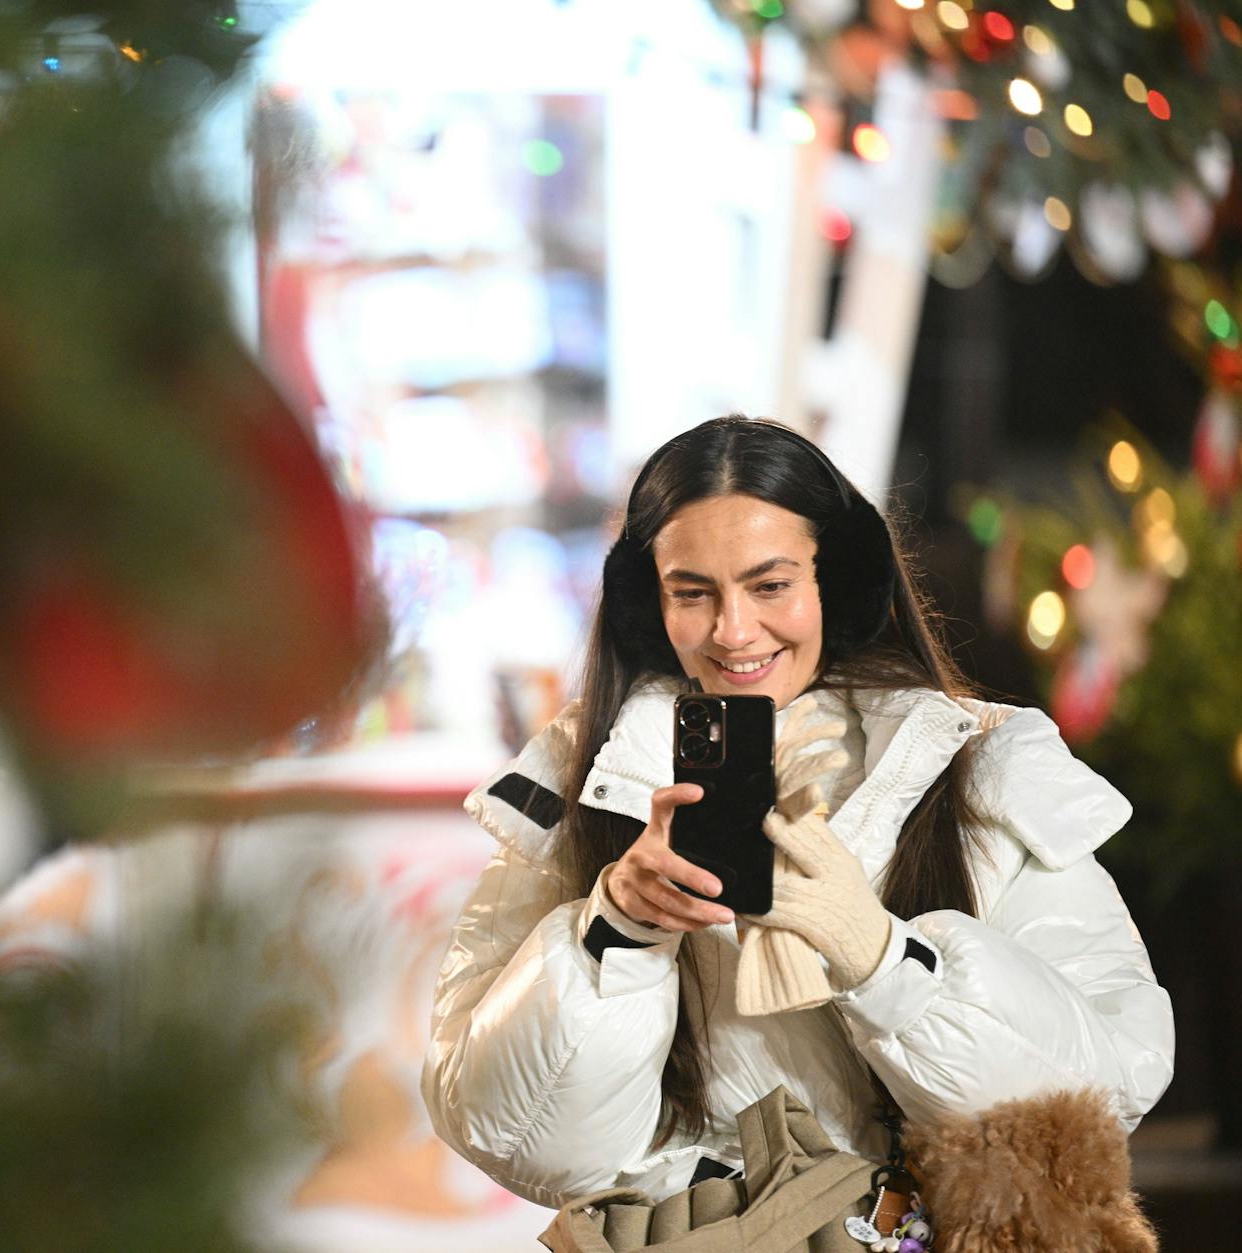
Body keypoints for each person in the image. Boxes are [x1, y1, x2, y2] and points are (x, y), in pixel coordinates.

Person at [421, 415, 1175, 1209]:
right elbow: (512, 1139)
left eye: (770, 584)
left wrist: (884, 961)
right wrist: (617, 932)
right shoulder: (580, 784)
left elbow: (1106, 1093)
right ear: (652, 602)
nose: (733, 631)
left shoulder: (975, 767)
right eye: (692, 592)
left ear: (838, 583)